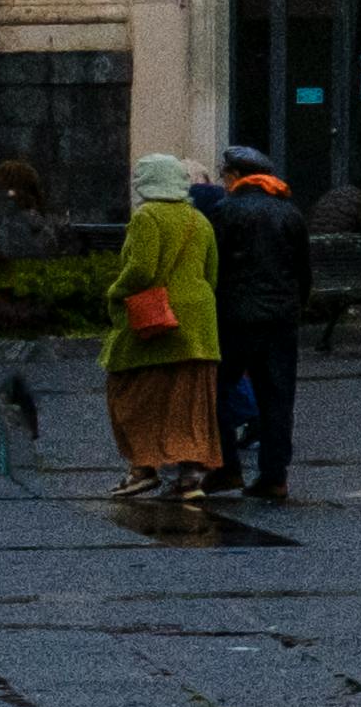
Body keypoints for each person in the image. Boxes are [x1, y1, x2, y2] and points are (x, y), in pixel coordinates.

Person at [99, 152, 223, 503]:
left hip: (156, 318)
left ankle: (142, 468)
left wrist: (115, 292)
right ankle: (190, 475)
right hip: (199, 324)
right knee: (190, 398)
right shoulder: (199, 219)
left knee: (131, 392)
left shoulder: (147, 216)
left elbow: (142, 270)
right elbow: (212, 273)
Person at [196, 146, 312, 503]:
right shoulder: (289, 212)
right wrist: (295, 307)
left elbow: (212, 266)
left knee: (215, 390)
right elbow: (303, 271)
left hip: (234, 319)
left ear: (234, 176)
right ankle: (274, 477)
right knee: (277, 398)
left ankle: (226, 467)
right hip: (280, 320)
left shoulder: (224, 211)